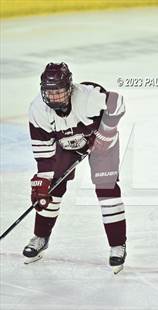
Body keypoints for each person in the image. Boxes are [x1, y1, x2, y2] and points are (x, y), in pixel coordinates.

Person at [24, 62, 127, 274]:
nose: (54, 97)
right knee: (50, 189)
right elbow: (44, 158)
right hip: (66, 145)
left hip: (101, 144)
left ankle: (117, 244)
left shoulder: (88, 97)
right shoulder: (38, 111)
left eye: (59, 91)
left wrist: (105, 134)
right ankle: (41, 237)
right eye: (49, 93)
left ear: (69, 87)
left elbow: (117, 102)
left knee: (106, 189)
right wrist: (42, 182)